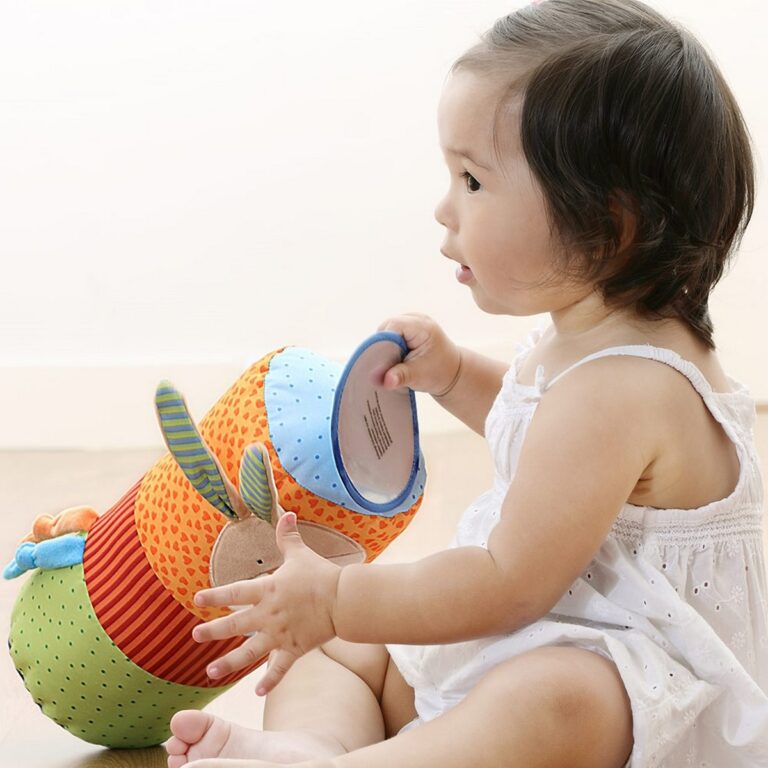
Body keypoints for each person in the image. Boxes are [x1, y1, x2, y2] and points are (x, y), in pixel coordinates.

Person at [164, 1, 768, 766]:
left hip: (628, 669)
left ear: (608, 227)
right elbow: (542, 443)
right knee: (339, 649)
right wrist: (453, 376)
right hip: (531, 628)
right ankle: (313, 745)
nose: (445, 209)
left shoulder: (624, 391)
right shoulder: (592, 348)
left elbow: (505, 583)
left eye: (474, 180)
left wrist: (338, 598)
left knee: (557, 700)